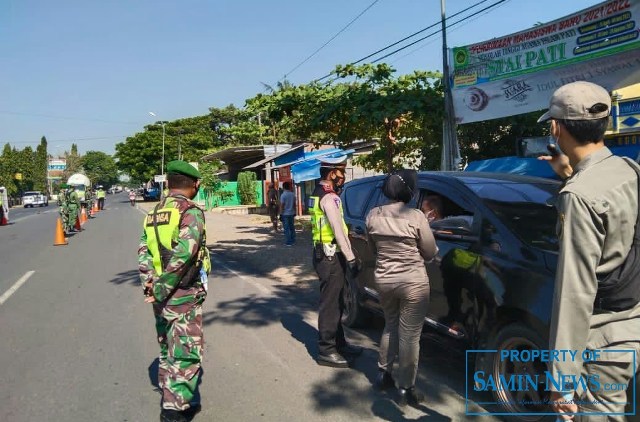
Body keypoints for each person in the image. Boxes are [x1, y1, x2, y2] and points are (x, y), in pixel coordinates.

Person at [538, 81, 640, 420]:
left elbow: (574, 292)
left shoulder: (578, 197)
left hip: (605, 342)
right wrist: (568, 176)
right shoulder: (628, 169)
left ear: (556, 127)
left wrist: (562, 379)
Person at [138, 160, 211, 422]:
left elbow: (144, 251)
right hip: (181, 295)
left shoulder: (156, 211)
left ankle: (175, 398)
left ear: (168, 183)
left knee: (168, 349)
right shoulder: (190, 211)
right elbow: (184, 255)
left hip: (159, 295)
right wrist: (161, 288)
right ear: (195, 184)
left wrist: (150, 283)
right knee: (186, 351)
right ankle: (175, 409)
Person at [365, 169, 438, 407]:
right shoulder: (416, 216)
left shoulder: (373, 215)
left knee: (390, 325)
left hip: (385, 280)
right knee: (410, 336)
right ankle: (406, 388)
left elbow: (373, 249)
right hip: (413, 283)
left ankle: (382, 374)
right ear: (410, 190)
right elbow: (428, 252)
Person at [309, 161, 363, 368]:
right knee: (331, 304)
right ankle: (327, 350)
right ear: (332, 174)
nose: (343, 177)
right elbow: (338, 230)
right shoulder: (330, 198)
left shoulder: (317, 192)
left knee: (338, 300)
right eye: (341, 173)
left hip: (323, 254)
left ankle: (339, 342)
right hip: (331, 255)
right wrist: (351, 258)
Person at [279, 181, 296, 246]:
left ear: (283, 187)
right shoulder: (292, 194)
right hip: (291, 213)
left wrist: (280, 214)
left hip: (285, 214)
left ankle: (289, 242)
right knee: (292, 227)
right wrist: (295, 211)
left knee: (286, 228)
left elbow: (282, 205)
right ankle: (293, 240)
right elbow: (294, 204)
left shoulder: (283, 195)